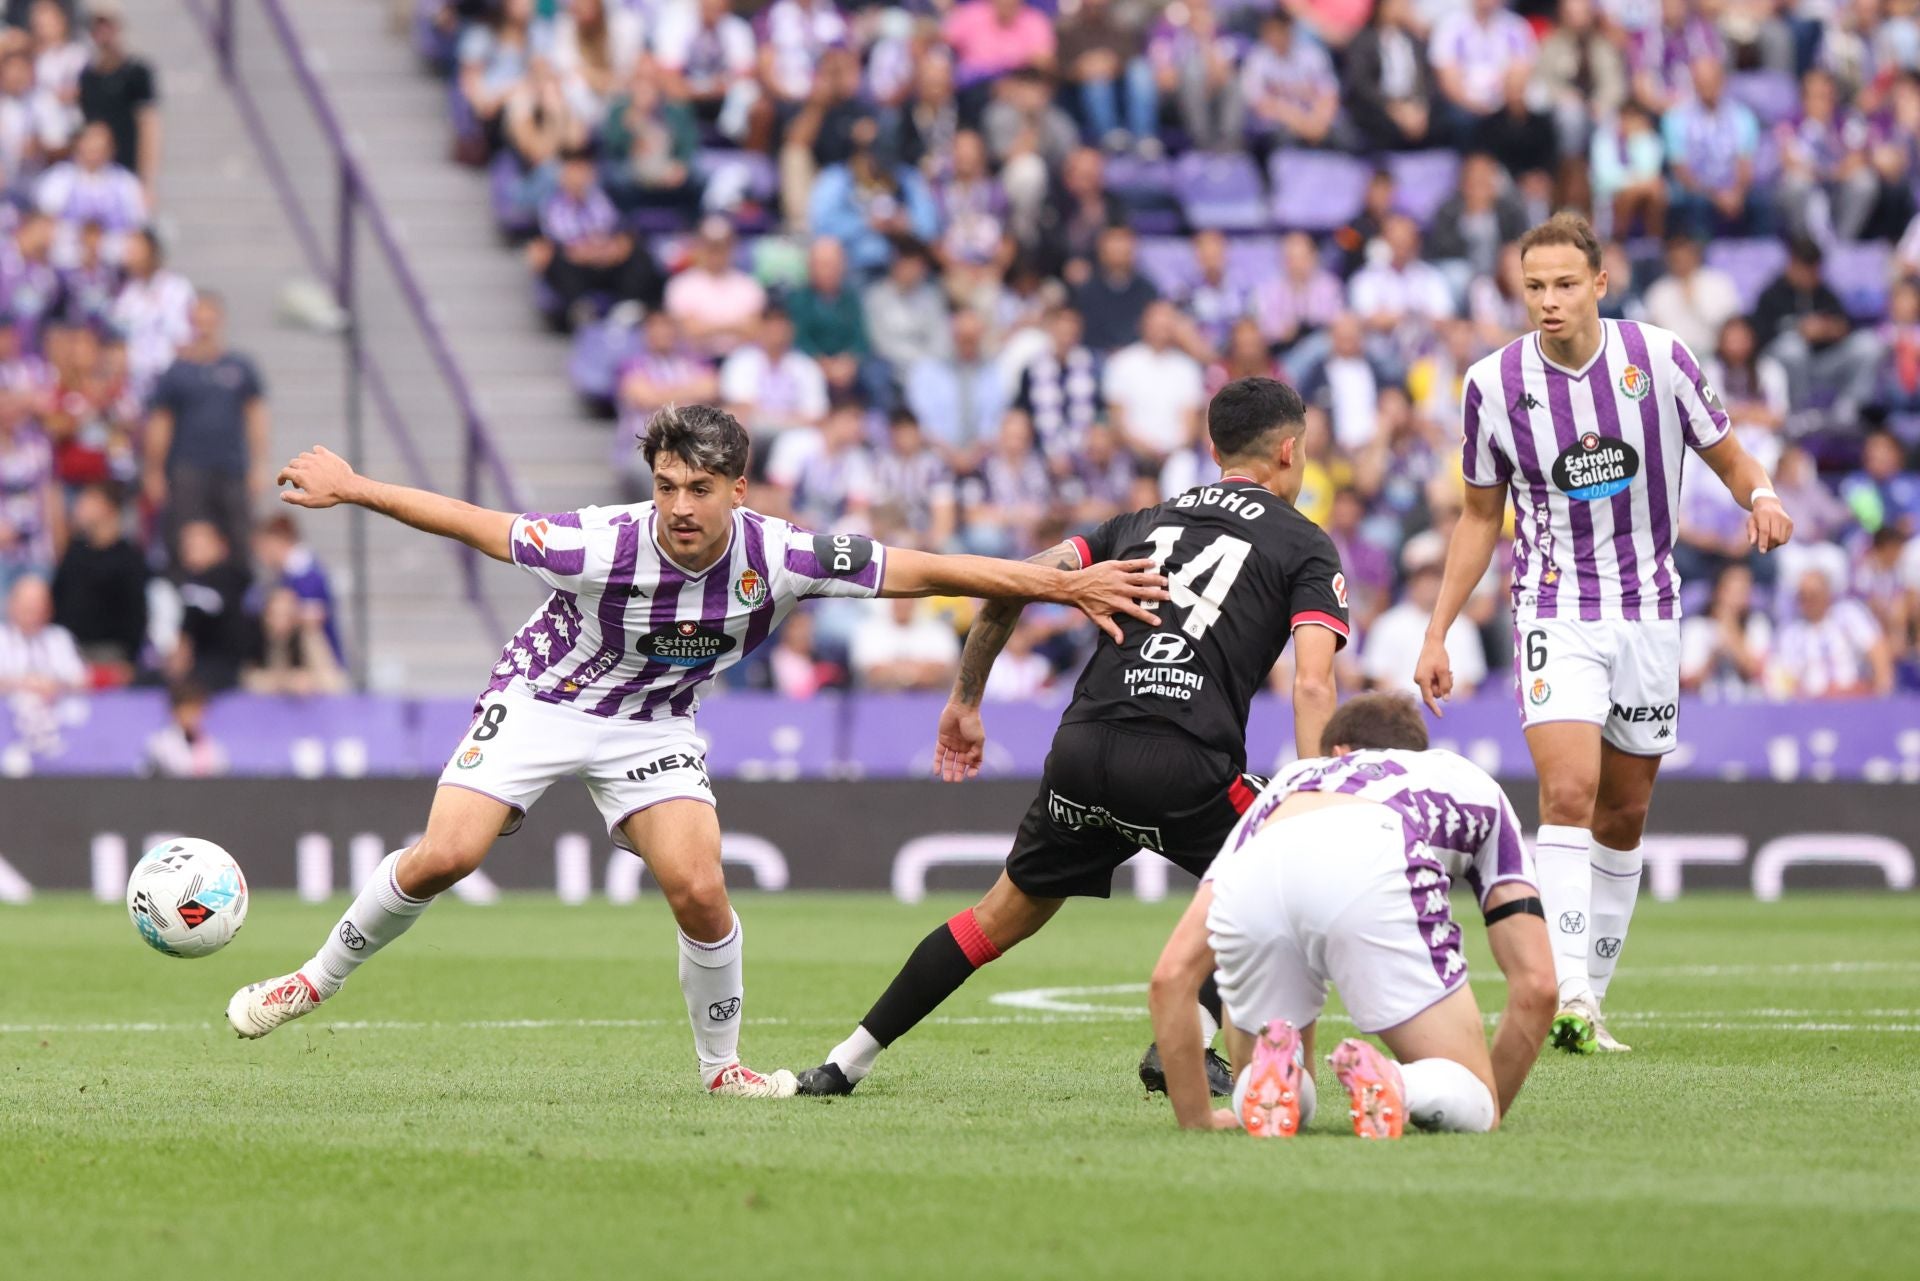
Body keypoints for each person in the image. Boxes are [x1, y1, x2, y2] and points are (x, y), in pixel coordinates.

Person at [224, 405, 1169, 1101]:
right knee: (447, 856)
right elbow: (471, 521)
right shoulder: (597, 543)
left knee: (701, 888)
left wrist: (1063, 584)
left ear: (738, 492)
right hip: (546, 697)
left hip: (654, 723)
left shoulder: (784, 556)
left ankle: (722, 1072)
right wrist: (351, 486)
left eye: (699, 489)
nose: (679, 505)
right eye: (666, 485)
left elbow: (927, 570)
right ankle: (314, 977)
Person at [796, 377, 1351, 1099]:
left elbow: (1013, 583)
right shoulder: (1306, 544)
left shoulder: (1137, 521)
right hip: (1184, 762)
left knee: (994, 919)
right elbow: (1312, 684)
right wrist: (1314, 798)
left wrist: (965, 699)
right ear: (1289, 451)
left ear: (1214, 450)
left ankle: (844, 1060)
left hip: (1083, 752)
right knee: (1284, 879)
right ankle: (1189, 1041)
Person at [1415, 213, 1794, 1056]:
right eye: (1534, 287)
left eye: (1563, 284)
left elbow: (1732, 457)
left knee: (1625, 811)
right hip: (1555, 606)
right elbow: (1481, 516)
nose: (1548, 302)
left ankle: (1592, 999)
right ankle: (1569, 992)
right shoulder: (1492, 383)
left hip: (1651, 609)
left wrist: (1761, 498)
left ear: (1599, 283)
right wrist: (1438, 629)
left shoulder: (1659, 360)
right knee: (1570, 795)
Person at [1147, 692, 1555, 1136]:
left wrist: (1198, 1118)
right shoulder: (1466, 778)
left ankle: (1277, 1070)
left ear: (1338, 752)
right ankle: (1400, 1084)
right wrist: (1486, 1104)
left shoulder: (1293, 780)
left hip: (1264, 859)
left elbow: (1170, 976)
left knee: (1275, 1091)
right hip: (1377, 848)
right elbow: (1537, 986)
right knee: (1471, 1095)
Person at [143, 293, 267, 561]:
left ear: (220, 320)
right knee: (184, 535)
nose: (204, 325)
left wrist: (259, 464)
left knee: (238, 535)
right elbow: (161, 422)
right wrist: (154, 470)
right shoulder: (177, 371)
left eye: (209, 318)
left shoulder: (240, 366)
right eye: (199, 319)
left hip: (231, 465)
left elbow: (256, 415)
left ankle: (239, 594)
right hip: (188, 466)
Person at [526, 148, 659, 328]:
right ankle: (580, 307)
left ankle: (628, 306)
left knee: (639, 251)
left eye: (583, 171)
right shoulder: (551, 205)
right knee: (553, 257)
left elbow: (619, 232)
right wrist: (588, 251)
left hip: (607, 260)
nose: (579, 178)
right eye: (574, 171)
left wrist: (611, 249)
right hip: (576, 264)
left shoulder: (603, 199)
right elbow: (559, 241)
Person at [1361, 530, 1485, 697]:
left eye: (1435, 578)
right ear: (1412, 581)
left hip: (1452, 712)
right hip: (1401, 712)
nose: (1429, 585)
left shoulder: (1464, 626)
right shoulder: (1387, 624)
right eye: (1423, 578)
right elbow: (1379, 679)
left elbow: (1470, 684)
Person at [51, 481, 145, 676]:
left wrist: (129, 660)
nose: (80, 506)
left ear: (108, 507)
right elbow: (57, 601)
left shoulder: (129, 559)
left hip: (109, 656)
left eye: (89, 501)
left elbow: (137, 615)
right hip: (65, 654)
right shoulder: (74, 552)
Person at [76, 2, 159, 203]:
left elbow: (149, 125)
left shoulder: (137, 72)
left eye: (108, 26)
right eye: (97, 27)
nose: (103, 33)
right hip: (95, 173)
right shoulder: (86, 75)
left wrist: (147, 180)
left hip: (127, 170)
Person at [1766, 568, 1894, 698]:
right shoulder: (1791, 634)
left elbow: (1877, 650)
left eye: (1813, 595)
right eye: (1803, 596)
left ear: (1827, 594)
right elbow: (1785, 680)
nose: (1808, 602)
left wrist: (1881, 693)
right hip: (1813, 706)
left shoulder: (1848, 615)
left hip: (1854, 699)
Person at [0, 571, 85, 697]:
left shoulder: (60, 637)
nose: (32, 613)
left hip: (56, 710)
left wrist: (57, 685)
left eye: (37, 605)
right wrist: (24, 684)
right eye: (26, 606)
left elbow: (80, 679)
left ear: (49, 609)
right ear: (11, 605)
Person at [142, 678, 227, 778]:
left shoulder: (213, 747)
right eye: (187, 709)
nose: (192, 715)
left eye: (196, 709)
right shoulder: (157, 744)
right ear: (174, 711)